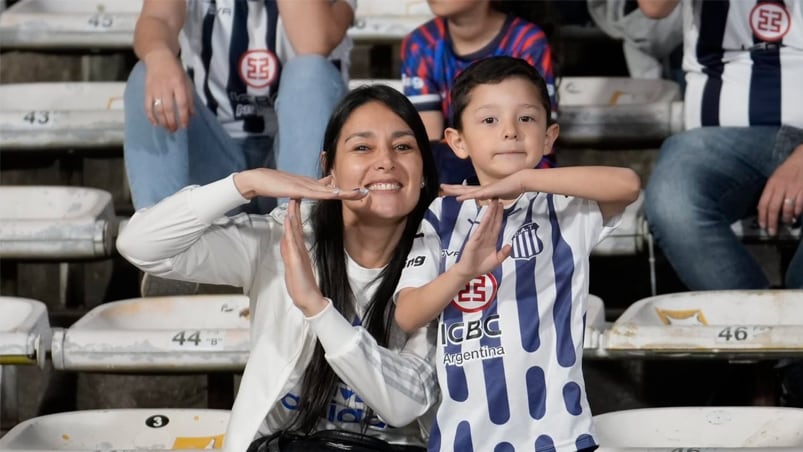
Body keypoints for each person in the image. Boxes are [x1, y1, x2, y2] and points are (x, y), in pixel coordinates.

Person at [116, 85, 442, 452]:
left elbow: (405, 404)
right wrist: (245, 184)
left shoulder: (447, 259)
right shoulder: (282, 240)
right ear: (329, 169)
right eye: (362, 147)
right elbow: (140, 245)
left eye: (403, 147)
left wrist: (317, 310)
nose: (385, 161)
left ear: (425, 173)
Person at [393, 56, 641, 451]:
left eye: (526, 119)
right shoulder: (441, 215)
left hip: (558, 437)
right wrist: (462, 272)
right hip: (463, 438)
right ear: (457, 141)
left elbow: (627, 184)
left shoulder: (565, 207)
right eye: (489, 121)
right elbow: (406, 314)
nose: (509, 131)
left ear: (549, 136)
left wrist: (524, 179)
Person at [640, 0, 803, 406]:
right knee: (673, 195)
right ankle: (767, 354)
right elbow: (653, 7)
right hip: (717, 145)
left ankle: (791, 376)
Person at [124, 0, 354, 215]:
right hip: (217, 154)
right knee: (148, 72)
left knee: (310, 71)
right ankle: (160, 239)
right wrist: (161, 57)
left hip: (295, 158)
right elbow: (157, 19)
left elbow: (312, 41)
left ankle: (305, 234)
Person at [401, 0, 559, 184]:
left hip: (527, 168)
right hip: (458, 163)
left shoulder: (527, 40)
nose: (510, 131)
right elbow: (429, 143)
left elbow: (537, 131)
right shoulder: (420, 42)